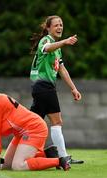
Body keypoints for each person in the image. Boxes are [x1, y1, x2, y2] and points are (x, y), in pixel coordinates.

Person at [0, 77, 71, 171]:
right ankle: (48, 154)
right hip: (23, 132)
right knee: (6, 165)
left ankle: (60, 161)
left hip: (33, 128)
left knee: (18, 166)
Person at [30, 15, 84, 164]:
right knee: (57, 121)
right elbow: (46, 48)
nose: (60, 27)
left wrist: (73, 88)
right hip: (44, 86)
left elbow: (62, 69)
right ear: (48, 28)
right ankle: (63, 157)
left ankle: (14, 152)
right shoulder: (47, 41)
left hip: (40, 87)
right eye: (56, 25)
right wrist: (65, 42)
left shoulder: (57, 47)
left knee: (32, 123)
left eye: (61, 24)